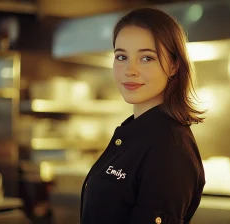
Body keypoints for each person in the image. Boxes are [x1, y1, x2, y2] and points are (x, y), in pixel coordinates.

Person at [80, 7, 206, 224]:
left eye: (146, 58)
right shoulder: (134, 133)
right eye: (121, 56)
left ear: (175, 65)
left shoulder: (170, 148)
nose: (130, 70)